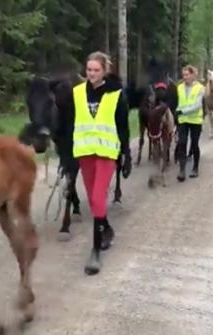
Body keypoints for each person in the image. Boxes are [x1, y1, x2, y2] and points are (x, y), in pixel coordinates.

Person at [63, 51, 132, 275]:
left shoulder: (115, 94)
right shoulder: (76, 93)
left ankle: (95, 252)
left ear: (105, 71)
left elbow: (123, 126)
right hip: (84, 153)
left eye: (96, 70)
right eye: (89, 69)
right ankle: (107, 228)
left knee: (97, 196)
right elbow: (70, 124)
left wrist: (126, 153)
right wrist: (66, 154)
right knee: (94, 201)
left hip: (106, 153)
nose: (91, 74)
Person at [174, 65, 205, 181]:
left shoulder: (200, 88)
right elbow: (180, 102)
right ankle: (182, 170)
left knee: (194, 144)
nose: (185, 77)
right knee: (181, 143)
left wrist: (182, 111)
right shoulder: (179, 87)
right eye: (184, 75)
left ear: (193, 75)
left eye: (187, 75)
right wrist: (176, 112)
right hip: (183, 120)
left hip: (195, 120)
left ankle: (195, 168)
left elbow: (197, 106)